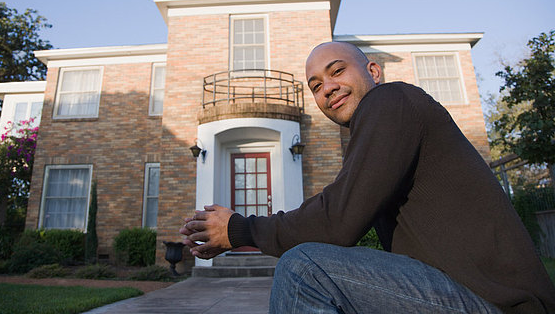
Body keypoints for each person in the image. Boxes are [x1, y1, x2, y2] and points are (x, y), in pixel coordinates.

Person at [180, 41, 555, 314]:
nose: (327, 88)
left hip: (495, 301)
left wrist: (240, 230)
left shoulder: (391, 101)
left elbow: (338, 221)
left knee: (305, 268)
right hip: (455, 291)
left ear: (373, 72)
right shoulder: (379, 130)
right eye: (315, 85)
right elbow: (338, 208)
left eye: (337, 71)